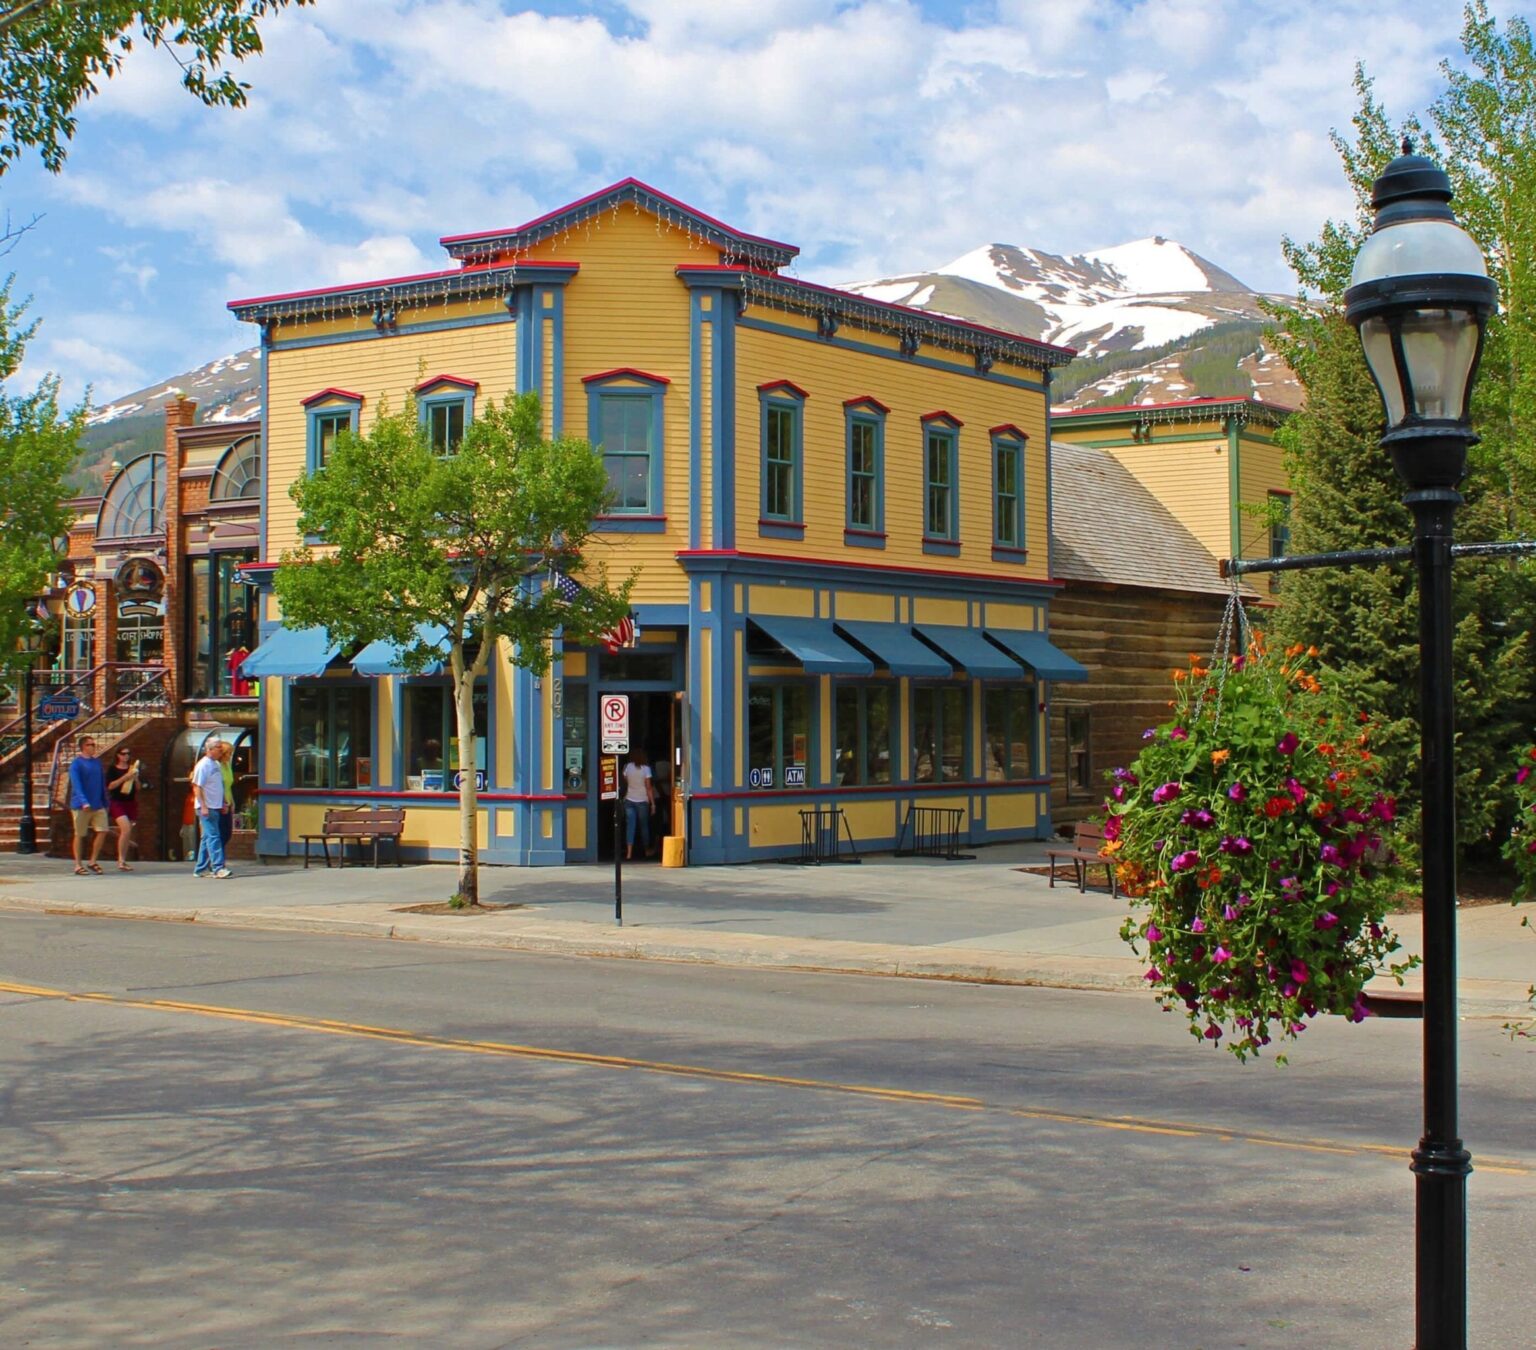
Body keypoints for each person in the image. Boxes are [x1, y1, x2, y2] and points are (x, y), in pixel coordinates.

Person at [190, 737, 232, 879]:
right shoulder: (203, 765)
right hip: (207, 807)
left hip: (215, 806)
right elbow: (197, 786)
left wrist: (223, 803)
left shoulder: (216, 764)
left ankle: (200, 868)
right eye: (218, 748)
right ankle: (218, 867)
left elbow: (218, 786)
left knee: (207, 837)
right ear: (210, 749)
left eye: (221, 748)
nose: (221, 750)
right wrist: (203, 806)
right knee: (214, 836)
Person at [67, 735, 109, 875]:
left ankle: (93, 860)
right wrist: (84, 801)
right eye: (90, 744)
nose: (93, 747)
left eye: (93, 744)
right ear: (83, 747)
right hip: (81, 805)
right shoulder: (76, 764)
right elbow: (76, 785)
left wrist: (105, 801)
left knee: (103, 830)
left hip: (98, 804)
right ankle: (78, 864)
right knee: (80, 834)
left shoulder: (97, 762)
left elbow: (102, 783)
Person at [106, 746, 142, 871]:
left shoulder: (132, 769)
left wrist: (135, 778)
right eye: (123, 754)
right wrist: (125, 777)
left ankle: (123, 859)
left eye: (128, 753)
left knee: (127, 832)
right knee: (125, 828)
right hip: (117, 801)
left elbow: (138, 788)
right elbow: (110, 786)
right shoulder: (112, 769)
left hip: (130, 802)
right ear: (118, 755)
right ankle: (121, 860)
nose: (126, 756)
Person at [621, 746, 655, 862]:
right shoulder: (646, 769)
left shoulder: (628, 767)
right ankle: (646, 850)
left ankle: (629, 853)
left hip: (629, 799)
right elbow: (649, 787)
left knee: (630, 826)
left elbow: (625, 780)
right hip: (642, 800)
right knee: (644, 826)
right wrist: (653, 804)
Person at [218, 740, 237, 850]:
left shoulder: (227, 766)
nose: (230, 756)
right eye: (229, 753)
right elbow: (219, 786)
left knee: (227, 833)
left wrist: (232, 802)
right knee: (221, 833)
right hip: (220, 804)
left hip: (228, 802)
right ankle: (217, 860)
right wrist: (224, 802)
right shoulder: (217, 766)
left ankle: (217, 858)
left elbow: (229, 786)